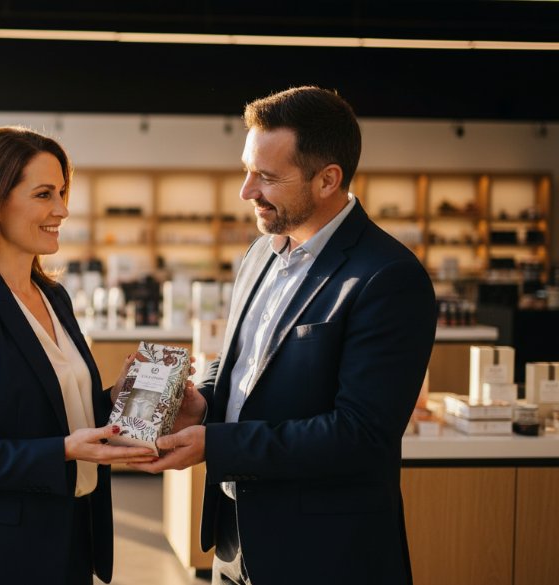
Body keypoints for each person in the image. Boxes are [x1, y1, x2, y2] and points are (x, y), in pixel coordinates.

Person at [133, 87, 437, 585]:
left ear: (327, 180)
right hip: (236, 542)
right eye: (247, 170)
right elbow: (245, 366)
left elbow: (359, 436)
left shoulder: (386, 277)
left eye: (268, 177)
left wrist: (216, 443)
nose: (246, 190)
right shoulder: (259, 256)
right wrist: (204, 404)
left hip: (326, 554)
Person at [0, 126, 160, 585]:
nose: (62, 210)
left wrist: (120, 399)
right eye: (44, 194)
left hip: (68, 540)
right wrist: (63, 451)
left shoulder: (53, 296)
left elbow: (55, 411)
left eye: (63, 192)